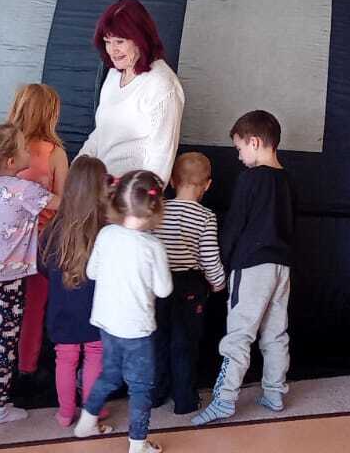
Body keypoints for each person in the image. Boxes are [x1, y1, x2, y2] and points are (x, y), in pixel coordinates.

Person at [192, 111, 295, 426]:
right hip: (282, 268)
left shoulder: (250, 179)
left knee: (239, 335)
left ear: (255, 142)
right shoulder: (286, 180)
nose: (238, 156)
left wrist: (221, 265)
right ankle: (275, 393)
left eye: (239, 148)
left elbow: (235, 226)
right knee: (276, 334)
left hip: (251, 267)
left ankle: (224, 400)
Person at [73, 171, 173, 453]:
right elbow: (164, 290)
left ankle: (86, 423)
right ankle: (138, 445)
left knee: (109, 375)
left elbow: (93, 272)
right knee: (141, 387)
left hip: (107, 322)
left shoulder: (106, 234)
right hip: (137, 329)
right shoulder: (153, 246)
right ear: (155, 207)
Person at [0, 124, 57, 423]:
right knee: (6, 342)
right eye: (24, 149)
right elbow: (61, 204)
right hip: (9, 280)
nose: (29, 152)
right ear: (10, 161)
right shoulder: (26, 190)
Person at [77, 0, 184, 181]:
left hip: (129, 194)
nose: (112, 50)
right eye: (107, 42)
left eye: (119, 41)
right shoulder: (114, 74)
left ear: (140, 39)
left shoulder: (163, 85)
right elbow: (101, 133)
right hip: (97, 186)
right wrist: (77, 169)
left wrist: (132, 197)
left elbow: (161, 159)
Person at [152, 152, 226, 415]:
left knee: (158, 339)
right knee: (185, 343)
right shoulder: (206, 217)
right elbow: (209, 257)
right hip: (190, 286)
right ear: (208, 185)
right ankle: (184, 400)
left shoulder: (158, 209)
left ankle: (155, 394)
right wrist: (218, 283)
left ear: (172, 181)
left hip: (158, 283)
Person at [42, 156, 111, 426]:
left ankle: (65, 413)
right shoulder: (106, 230)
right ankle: (92, 411)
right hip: (96, 308)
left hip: (62, 308)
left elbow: (42, 265)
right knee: (95, 355)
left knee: (65, 358)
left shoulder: (53, 228)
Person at [7, 83, 69, 376]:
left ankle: (0, 363)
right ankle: (26, 367)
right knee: (33, 308)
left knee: (3, 303)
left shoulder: (2, 146)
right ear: (51, 114)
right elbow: (63, 201)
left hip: (4, 240)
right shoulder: (55, 153)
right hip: (39, 243)